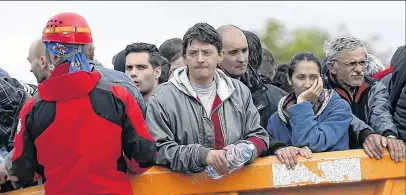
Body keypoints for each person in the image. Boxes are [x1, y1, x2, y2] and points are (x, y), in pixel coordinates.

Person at [12, 12, 156, 195]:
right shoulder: (117, 95)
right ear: (91, 49)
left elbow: (22, 167)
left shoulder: (31, 107)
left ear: (50, 55)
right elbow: (144, 155)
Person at [146, 22, 269, 175]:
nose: (200, 59)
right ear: (184, 57)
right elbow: (159, 150)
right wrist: (203, 156)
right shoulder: (161, 98)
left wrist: (245, 150)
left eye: (207, 52)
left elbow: (259, 136)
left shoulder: (239, 92)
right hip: (184, 193)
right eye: (193, 53)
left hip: (235, 190)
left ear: (220, 56)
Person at [324, 36, 405, 162]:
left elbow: (381, 114)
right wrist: (366, 134)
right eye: (351, 64)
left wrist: (389, 135)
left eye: (362, 63)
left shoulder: (375, 87)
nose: (359, 70)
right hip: (333, 162)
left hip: (369, 162)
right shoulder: (321, 91)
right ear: (332, 67)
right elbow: (342, 114)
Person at [267, 52, 353, 169]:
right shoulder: (276, 119)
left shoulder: (339, 107)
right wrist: (283, 149)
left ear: (321, 79)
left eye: (313, 77)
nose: (307, 85)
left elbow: (312, 144)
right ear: (290, 79)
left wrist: (302, 103)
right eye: (301, 77)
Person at [28, 37, 146, 115]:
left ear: (54, 56)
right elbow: (142, 142)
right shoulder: (124, 83)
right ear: (92, 52)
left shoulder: (41, 98)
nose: (30, 69)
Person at [217, 26, 287, 154]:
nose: (242, 58)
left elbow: (256, 134)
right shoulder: (206, 91)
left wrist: (278, 147)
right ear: (218, 54)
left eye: (244, 50)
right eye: (233, 52)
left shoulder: (261, 90)